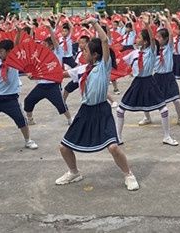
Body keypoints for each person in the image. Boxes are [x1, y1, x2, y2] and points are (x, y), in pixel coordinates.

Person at [56, 18, 139, 191]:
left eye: (85, 50)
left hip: (102, 110)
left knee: (114, 147)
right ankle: (74, 172)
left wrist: (94, 23)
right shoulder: (81, 69)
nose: (82, 52)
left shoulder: (103, 66)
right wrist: (35, 74)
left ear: (95, 55)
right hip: (85, 112)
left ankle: (128, 174)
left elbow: (104, 41)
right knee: (64, 147)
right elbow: (61, 74)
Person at [115, 14, 179, 146]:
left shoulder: (151, 51)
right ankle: (118, 137)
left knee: (164, 109)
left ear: (145, 42)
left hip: (149, 81)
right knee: (120, 110)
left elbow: (151, 38)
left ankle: (166, 136)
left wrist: (147, 25)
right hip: (137, 83)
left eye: (139, 37)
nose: (136, 38)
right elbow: (124, 63)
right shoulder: (134, 52)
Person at [24, 20, 72, 126]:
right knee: (28, 101)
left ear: (51, 46)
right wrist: (31, 76)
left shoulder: (58, 53)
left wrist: (50, 29)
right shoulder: (41, 56)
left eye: (45, 44)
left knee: (61, 105)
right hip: (41, 85)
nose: (43, 46)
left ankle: (70, 119)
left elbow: (54, 41)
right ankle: (30, 119)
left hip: (53, 85)